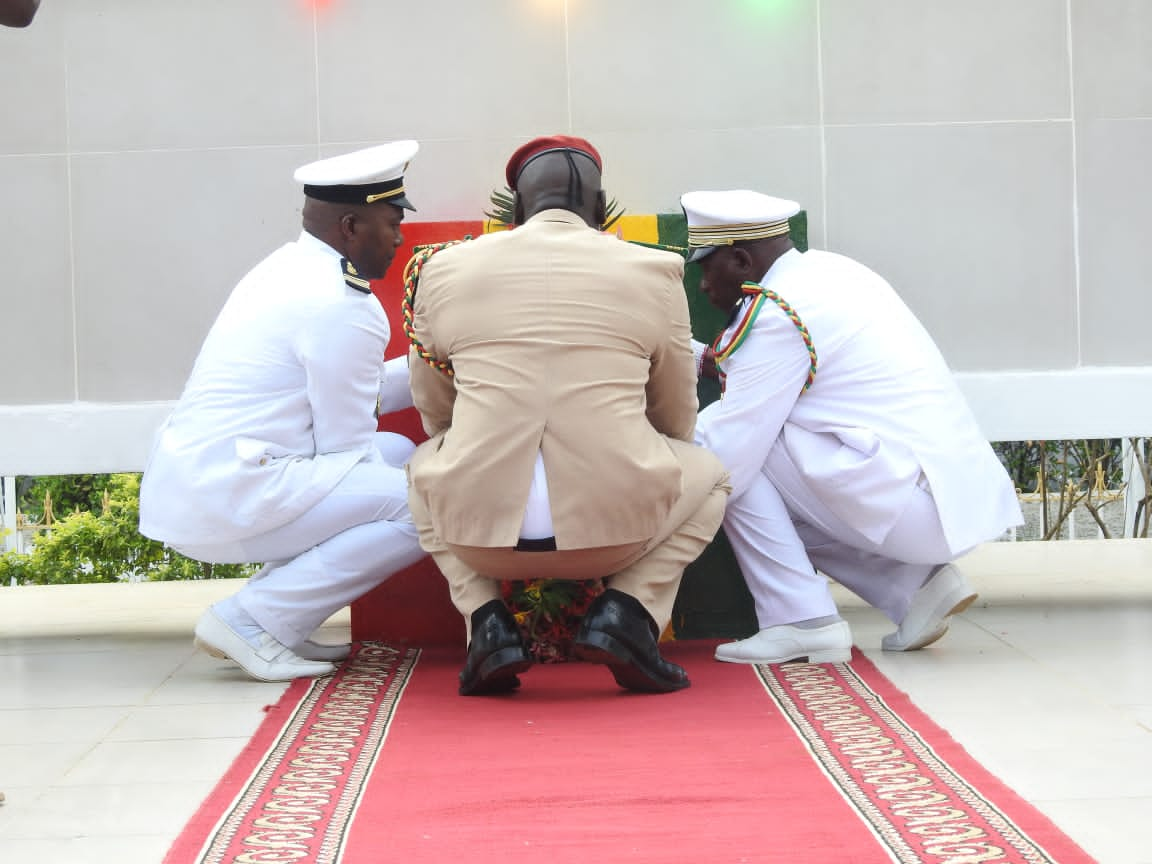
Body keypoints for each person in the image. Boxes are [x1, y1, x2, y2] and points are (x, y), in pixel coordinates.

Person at [406, 135, 730, 695]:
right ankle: (626, 613)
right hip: (618, 533)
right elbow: (677, 410)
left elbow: (434, 407)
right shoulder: (654, 270)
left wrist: (470, 453)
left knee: (421, 464)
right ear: (602, 212)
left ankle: (486, 623)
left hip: (478, 537)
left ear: (516, 211)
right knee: (712, 475)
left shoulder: (443, 269)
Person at [681, 189, 1022, 665]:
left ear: (740, 259)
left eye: (703, 268)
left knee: (728, 460)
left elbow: (728, 453)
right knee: (772, 466)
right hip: (943, 495)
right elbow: (755, 366)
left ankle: (800, 620)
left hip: (909, 503)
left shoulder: (776, 312)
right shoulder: (829, 272)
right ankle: (916, 587)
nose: (701, 286)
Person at [139, 141, 427, 682]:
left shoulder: (288, 267)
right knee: (428, 504)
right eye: (391, 221)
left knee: (399, 452)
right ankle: (251, 621)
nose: (399, 235)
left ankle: (281, 620)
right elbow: (347, 445)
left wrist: (438, 364)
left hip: (206, 482)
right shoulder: (342, 303)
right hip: (234, 495)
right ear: (349, 226)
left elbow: (354, 397)